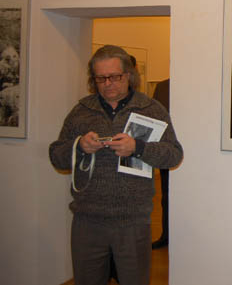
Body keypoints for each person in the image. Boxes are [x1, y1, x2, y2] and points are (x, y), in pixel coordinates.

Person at [49, 45, 183, 285]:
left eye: (114, 77)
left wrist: (138, 148)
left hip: (133, 223)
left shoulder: (151, 109)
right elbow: (56, 156)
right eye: (100, 78)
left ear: (129, 75)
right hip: (87, 222)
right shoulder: (81, 111)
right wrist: (79, 146)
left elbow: (174, 155)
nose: (107, 83)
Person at [152, 78, 170, 249]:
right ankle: (166, 235)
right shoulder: (162, 87)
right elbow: (153, 119)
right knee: (166, 196)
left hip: (195, 152)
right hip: (166, 152)